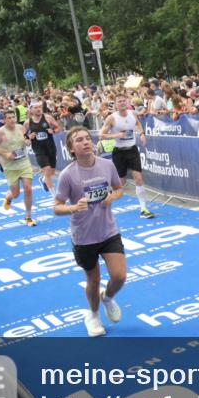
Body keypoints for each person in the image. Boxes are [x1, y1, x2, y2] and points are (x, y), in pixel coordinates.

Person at [54, 126, 126, 337]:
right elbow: (56, 206)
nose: (85, 142)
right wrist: (73, 208)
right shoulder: (68, 175)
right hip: (84, 237)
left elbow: (119, 188)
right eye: (79, 140)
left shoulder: (107, 164)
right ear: (72, 149)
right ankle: (93, 315)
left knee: (119, 276)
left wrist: (113, 196)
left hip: (108, 231)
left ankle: (108, 298)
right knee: (93, 280)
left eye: (87, 138)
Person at [100, 94, 155, 219]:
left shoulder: (132, 114)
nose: (122, 103)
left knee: (138, 178)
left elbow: (138, 124)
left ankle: (144, 209)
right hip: (119, 151)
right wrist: (116, 136)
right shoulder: (111, 118)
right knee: (121, 183)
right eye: (119, 101)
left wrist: (141, 133)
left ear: (127, 102)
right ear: (116, 104)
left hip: (132, 150)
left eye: (124, 100)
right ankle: (105, 197)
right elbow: (101, 135)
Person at [0, 109, 37, 226]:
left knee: (28, 188)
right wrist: (5, 154)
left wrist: (28, 141)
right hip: (10, 166)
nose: (12, 120)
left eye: (13, 117)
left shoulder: (20, 127)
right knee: (16, 194)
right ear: (4, 120)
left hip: (24, 162)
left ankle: (28, 216)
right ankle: (8, 197)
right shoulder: (0, 132)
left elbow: (25, 139)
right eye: (9, 118)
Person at [24, 102, 61, 193]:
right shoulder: (28, 122)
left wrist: (53, 131)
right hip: (39, 150)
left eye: (39, 107)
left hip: (50, 148)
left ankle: (43, 179)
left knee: (51, 172)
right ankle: (54, 196)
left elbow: (58, 128)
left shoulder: (48, 118)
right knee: (47, 169)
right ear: (31, 110)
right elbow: (23, 138)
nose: (38, 109)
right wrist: (29, 138)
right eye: (35, 107)